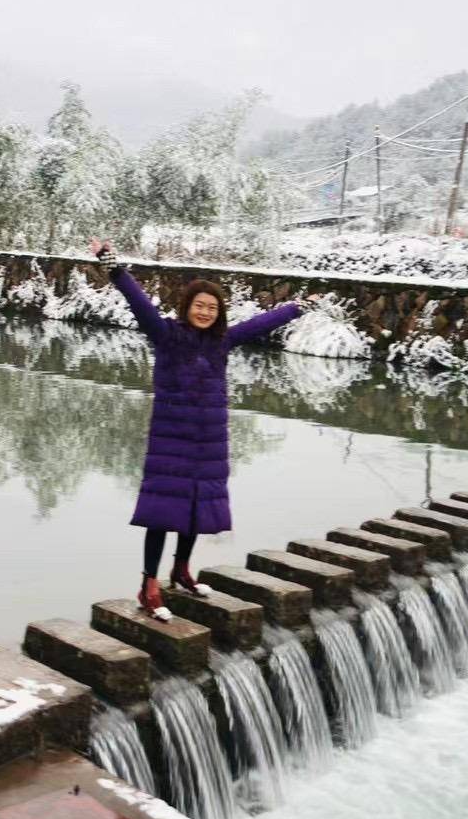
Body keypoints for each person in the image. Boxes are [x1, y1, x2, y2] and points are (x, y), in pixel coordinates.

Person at [89, 238, 309, 618]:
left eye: (212, 308)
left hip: (209, 441)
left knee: (195, 508)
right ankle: (149, 583)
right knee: (162, 512)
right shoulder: (167, 336)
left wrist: (294, 309)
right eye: (199, 306)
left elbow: (257, 325)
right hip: (170, 441)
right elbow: (138, 303)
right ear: (187, 307)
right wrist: (112, 265)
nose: (205, 312)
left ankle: (181, 570)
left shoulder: (221, 341)